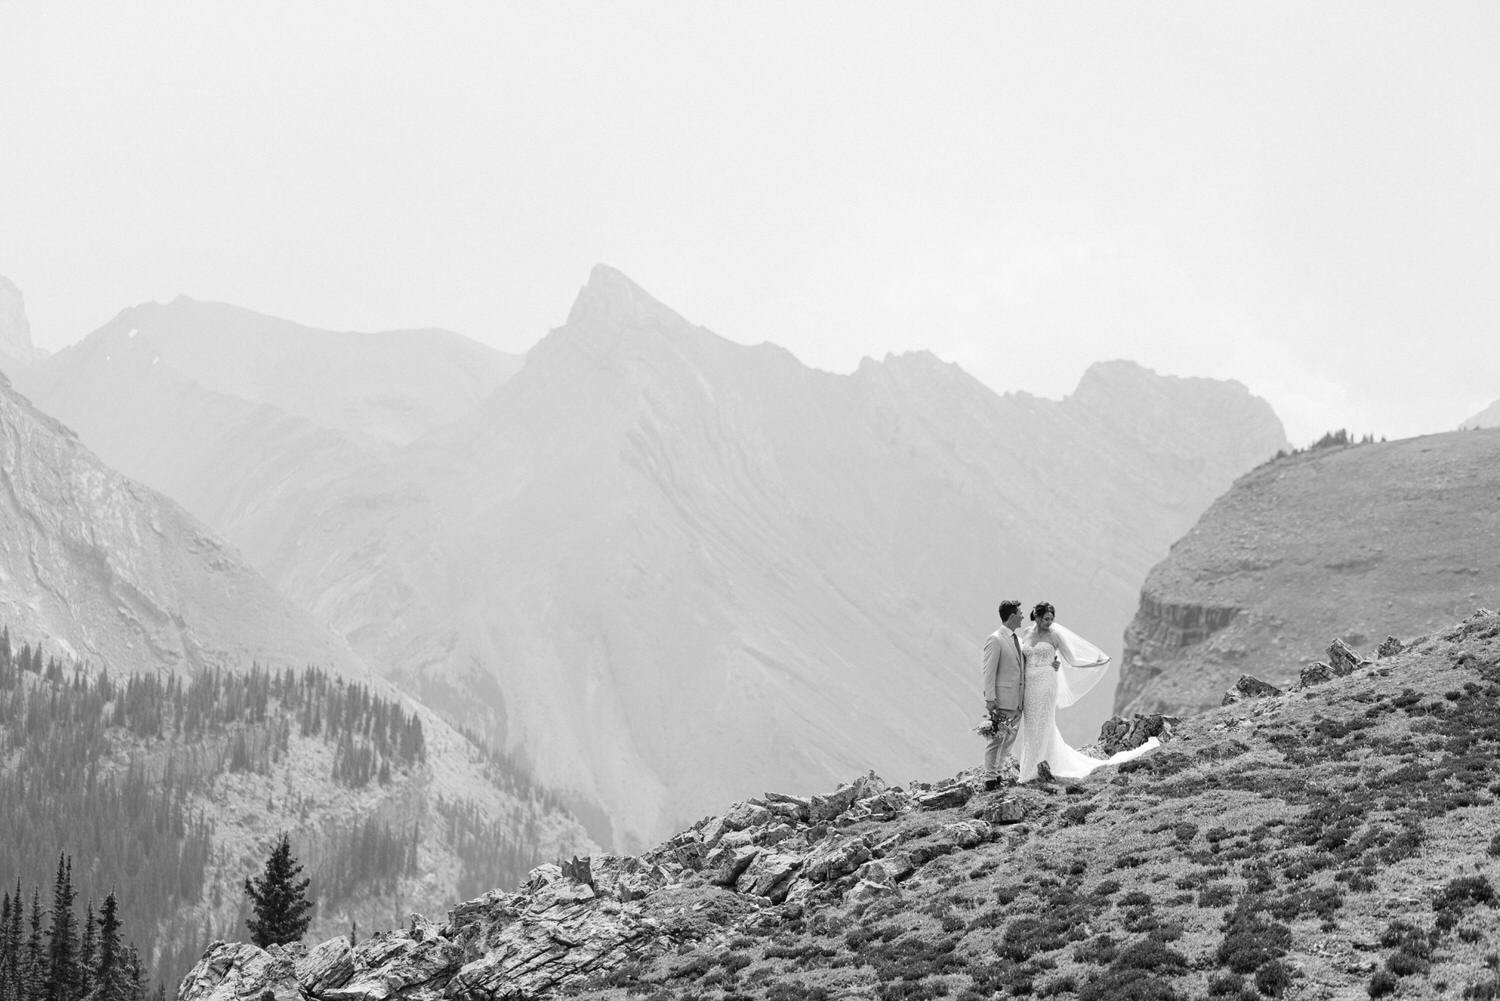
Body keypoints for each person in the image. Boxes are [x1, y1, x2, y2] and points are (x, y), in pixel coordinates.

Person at [1016, 601, 1158, 781]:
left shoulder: (1055, 635)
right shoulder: (1027, 633)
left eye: (1051, 619)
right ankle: (1029, 766)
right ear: (1036, 616)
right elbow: (1023, 658)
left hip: (1046, 684)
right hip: (1030, 686)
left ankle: (1037, 769)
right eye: (1045, 619)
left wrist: (1096, 662)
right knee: (1031, 725)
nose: (1049, 622)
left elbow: (1073, 660)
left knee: (1044, 723)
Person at [979, 599, 1027, 790]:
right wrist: (990, 698)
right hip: (1003, 700)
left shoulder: (1018, 640)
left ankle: (997, 773)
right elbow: (988, 671)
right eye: (1020, 613)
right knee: (996, 740)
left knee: (1008, 741)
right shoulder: (995, 639)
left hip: (1017, 700)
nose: (1023, 616)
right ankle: (990, 778)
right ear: (1013, 615)